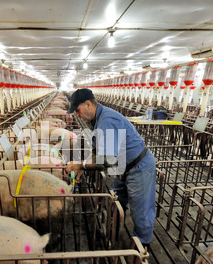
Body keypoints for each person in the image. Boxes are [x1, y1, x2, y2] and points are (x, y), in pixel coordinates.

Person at [65, 88, 156, 247]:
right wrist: (82, 166)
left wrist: (81, 165)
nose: (77, 115)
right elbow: (96, 150)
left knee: (141, 214)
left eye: (77, 111)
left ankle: (141, 253)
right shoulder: (96, 120)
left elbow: (107, 159)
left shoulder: (107, 120)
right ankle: (113, 235)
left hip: (138, 167)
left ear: (88, 104)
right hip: (123, 167)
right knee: (116, 200)